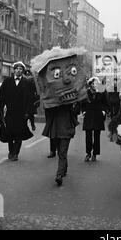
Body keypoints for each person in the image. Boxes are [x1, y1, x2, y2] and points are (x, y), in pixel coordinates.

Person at [30, 46, 87, 186]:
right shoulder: (52, 100)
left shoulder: (72, 101)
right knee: (61, 152)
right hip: (56, 128)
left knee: (62, 152)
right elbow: (46, 105)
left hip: (66, 127)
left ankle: (59, 174)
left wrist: (75, 103)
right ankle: (64, 169)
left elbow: (76, 109)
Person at [0, 61, 33, 161]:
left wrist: (28, 113)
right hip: (9, 112)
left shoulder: (26, 83)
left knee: (19, 134)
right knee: (10, 133)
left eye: (21, 69)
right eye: (17, 68)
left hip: (21, 113)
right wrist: (1, 110)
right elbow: (1, 97)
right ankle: (11, 151)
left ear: (23, 71)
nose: (19, 70)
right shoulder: (7, 81)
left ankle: (16, 153)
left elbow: (30, 99)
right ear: (14, 70)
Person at [82, 77, 108, 162]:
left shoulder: (102, 92)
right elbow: (82, 103)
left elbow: (106, 103)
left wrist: (104, 110)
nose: (94, 85)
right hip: (89, 115)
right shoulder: (86, 92)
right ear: (90, 84)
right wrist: (83, 111)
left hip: (98, 115)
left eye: (96, 83)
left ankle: (95, 154)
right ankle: (88, 153)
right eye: (93, 84)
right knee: (88, 136)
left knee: (97, 136)